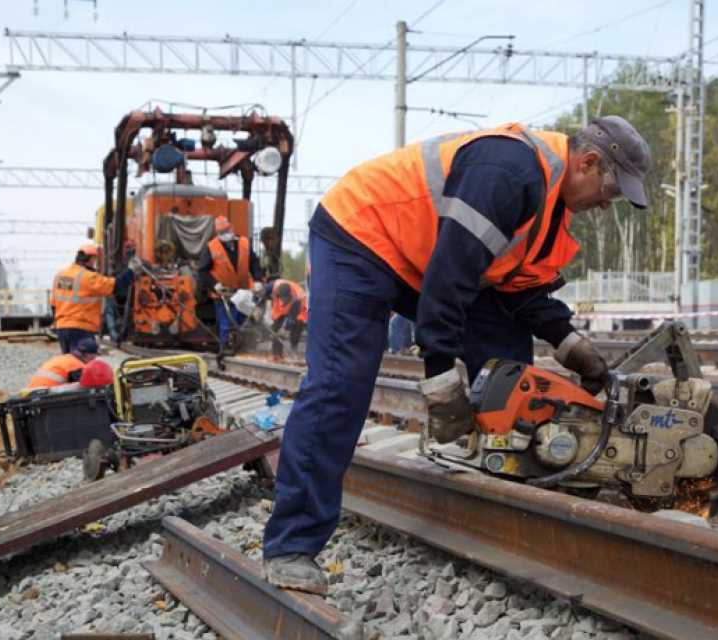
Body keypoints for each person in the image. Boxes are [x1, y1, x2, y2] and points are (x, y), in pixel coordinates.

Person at [261, 116, 652, 595]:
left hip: (423, 257)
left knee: (512, 374)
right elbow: (450, 278)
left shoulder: (552, 206)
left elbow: (519, 291)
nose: (606, 204)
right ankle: (291, 546)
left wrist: (574, 348)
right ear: (588, 162)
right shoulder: (510, 172)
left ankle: (511, 503)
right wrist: (441, 379)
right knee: (340, 385)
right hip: (360, 236)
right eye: (610, 192)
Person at [51, 244, 139, 354]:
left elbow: (53, 305)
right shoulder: (89, 277)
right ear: (92, 259)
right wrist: (131, 270)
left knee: (69, 361)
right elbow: (116, 286)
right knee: (82, 361)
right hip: (81, 328)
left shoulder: (60, 276)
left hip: (62, 329)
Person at [197, 216, 265, 345]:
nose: (225, 234)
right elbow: (202, 271)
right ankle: (227, 349)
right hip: (223, 294)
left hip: (242, 293)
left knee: (242, 323)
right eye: (222, 232)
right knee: (227, 324)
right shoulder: (211, 247)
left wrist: (257, 279)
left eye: (227, 230)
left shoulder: (244, 243)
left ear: (231, 228)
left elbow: (254, 262)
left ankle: (241, 347)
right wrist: (214, 285)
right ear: (217, 232)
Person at [27, 337, 99, 389]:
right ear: (87, 355)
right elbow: (82, 387)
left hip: (32, 391)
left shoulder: (64, 358)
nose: (93, 360)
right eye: (93, 357)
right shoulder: (77, 366)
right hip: (46, 395)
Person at [264, 279, 308, 356]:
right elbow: (259, 292)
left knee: (297, 325)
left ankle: (293, 347)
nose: (284, 300)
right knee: (276, 330)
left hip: (299, 312)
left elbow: (292, 317)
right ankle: (276, 354)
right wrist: (258, 307)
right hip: (281, 311)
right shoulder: (272, 286)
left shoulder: (298, 298)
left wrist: (285, 328)